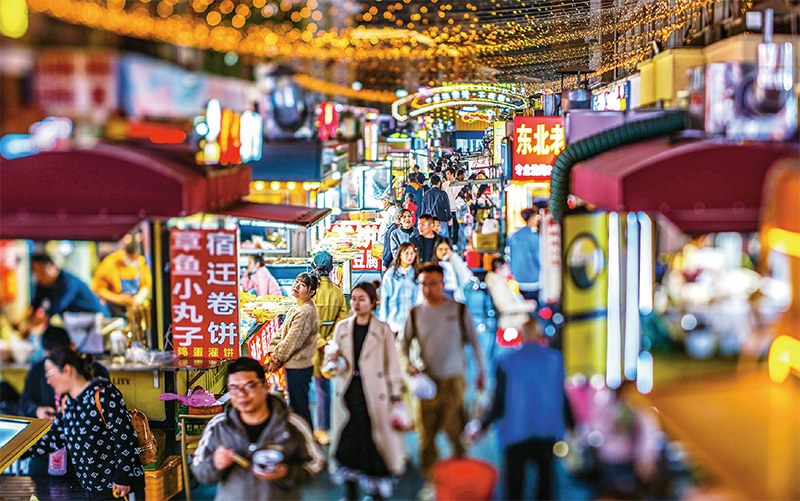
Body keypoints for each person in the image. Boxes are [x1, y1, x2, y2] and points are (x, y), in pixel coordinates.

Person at [398, 262, 487, 492]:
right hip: (426, 383)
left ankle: (458, 481)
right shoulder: (415, 313)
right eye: (424, 284)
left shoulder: (458, 310)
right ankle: (431, 481)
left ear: (443, 283)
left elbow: (476, 344)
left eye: (433, 284)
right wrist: (408, 366)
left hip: (454, 382)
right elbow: (402, 344)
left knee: (456, 434)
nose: (428, 289)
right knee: (426, 437)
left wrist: (482, 373)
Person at [466, 320, 572, 501]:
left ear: (520, 336)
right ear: (539, 335)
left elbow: (499, 402)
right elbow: (563, 397)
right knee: (546, 485)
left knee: (515, 488)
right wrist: (574, 426)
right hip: (547, 431)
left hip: (515, 432)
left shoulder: (506, 361)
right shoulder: (555, 360)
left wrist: (481, 426)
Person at [192, 357, 325, 501]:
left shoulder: (292, 425)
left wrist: (287, 472)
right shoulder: (218, 426)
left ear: (265, 386)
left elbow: (316, 464)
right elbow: (198, 469)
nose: (241, 394)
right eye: (234, 388)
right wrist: (215, 463)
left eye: (249, 386)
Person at [28, 346, 145, 500]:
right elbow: (54, 438)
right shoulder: (67, 401)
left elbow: (126, 438)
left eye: (50, 375)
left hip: (117, 487)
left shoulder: (103, 394)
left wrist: (123, 478)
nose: (48, 382)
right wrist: (20, 448)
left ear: (67, 370)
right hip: (91, 488)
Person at [326, 282, 406, 500]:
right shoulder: (342, 328)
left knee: (373, 437)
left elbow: (392, 364)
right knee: (349, 437)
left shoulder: (383, 330)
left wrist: (396, 395)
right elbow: (333, 365)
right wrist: (335, 360)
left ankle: (375, 489)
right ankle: (351, 488)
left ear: (372, 303)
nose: (356, 303)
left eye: (362, 299)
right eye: (354, 299)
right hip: (349, 390)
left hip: (375, 391)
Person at [17, 326, 111, 478]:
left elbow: (120, 436)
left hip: (87, 460)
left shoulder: (96, 376)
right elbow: (24, 402)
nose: (49, 380)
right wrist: (37, 410)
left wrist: (122, 478)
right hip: (47, 456)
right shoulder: (38, 371)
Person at [267, 273, 320, 426]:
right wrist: (273, 351)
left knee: (299, 407)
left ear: (311, 292)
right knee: (296, 403)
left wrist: (276, 359)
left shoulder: (306, 311)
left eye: (302, 285)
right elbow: (281, 332)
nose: (296, 286)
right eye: (297, 282)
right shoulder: (298, 306)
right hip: (293, 364)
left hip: (299, 366)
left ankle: (305, 435)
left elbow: (292, 340)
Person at [310, 252, 348, 446]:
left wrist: (318, 340)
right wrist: (328, 342)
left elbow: (305, 321)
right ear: (332, 269)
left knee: (300, 390)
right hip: (326, 350)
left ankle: (305, 429)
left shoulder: (310, 292)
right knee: (323, 389)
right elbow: (342, 322)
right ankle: (323, 429)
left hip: (307, 348)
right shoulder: (338, 292)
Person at [23, 253, 107, 333]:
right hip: (79, 325)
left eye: (41, 271)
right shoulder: (43, 285)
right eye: (35, 272)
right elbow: (34, 305)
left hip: (98, 321)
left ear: (53, 266)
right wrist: (24, 321)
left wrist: (29, 324)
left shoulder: (68, 282)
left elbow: (56, 308)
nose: (38, 276)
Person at [91, 239, 152, 318]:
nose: (132, 261)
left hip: (135, 307)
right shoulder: (110, 263)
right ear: (124, 252)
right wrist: (118, 299)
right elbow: (98, 289)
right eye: (130, 258)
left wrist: (139, 297)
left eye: (134, 258)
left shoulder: (140, 262)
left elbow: (146, 285)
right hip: (114, 309)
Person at [378, 243, 420, 333]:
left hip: (413, 323)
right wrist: (383, 323)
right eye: (406, 253)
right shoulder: (390, 274)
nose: (410, 256)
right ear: (400, 255)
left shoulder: (417, 274)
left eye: (412, 253)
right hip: (394, 323)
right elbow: (384, 299)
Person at [485, 256, 537, 331]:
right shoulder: (498, 286)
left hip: (515, 320)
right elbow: (504, 307)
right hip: (511, 323)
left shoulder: (506, 282)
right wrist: (526, 306)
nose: (509, 270)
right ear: (499, 270)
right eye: (506, 268)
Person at [508, 206, 542, 302]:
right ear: (531, 218)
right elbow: (540, 258)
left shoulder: (514, 236)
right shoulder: (535, 237)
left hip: (518, 278)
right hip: (533, 279)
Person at [441, 168, 461, 246]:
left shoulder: (459, 184)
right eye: (446, 174)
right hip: (447, 208)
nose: (447, 176)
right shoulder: (444, 185)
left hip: (456, 208)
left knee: (456, 226)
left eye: (448, 174)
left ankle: (455, 242)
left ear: (453, 174)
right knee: (448, 226)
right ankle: (449, 241)